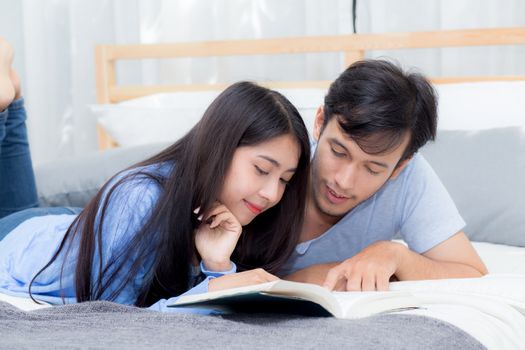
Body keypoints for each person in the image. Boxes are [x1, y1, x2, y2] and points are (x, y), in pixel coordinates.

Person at [0, 39, 311, 312]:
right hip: (20, 244)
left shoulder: (235, 221)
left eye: (284, 179)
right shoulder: (140, 197)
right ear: (220, 147)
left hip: (76, 231)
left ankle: (11, 99)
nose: (272, 193)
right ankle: (5, 103)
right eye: (261, 170)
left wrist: (217, 268)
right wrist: (212, 289)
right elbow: (108, 316)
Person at [282, 60, 488, 291]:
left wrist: (397, 257)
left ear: (399, 167)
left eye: (372, 169)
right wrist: (299, 279)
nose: (344, 182)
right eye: (338, 152)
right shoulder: (279, 147)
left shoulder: (409, 176)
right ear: (319, 122)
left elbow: (473, 275)